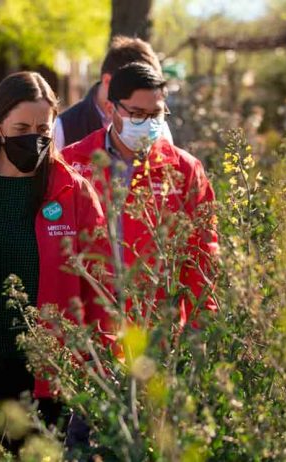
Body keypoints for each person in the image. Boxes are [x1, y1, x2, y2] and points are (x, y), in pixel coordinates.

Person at [0, 72, 110, 438]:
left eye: (42, 128)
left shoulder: (72, 191)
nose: (33, 137)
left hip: (46, 376)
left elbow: (101, 286)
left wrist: (100, 365)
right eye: (20, 128)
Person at [62, 62, 218, 325]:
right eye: (136, 113)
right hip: (92, 327)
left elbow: (202, 251)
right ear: (111, 108)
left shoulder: (184, 169)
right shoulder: (73, 161)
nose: (147, 122)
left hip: (158, 327)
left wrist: (201, 324)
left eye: (156, 114)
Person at [55, 35, 172, 151]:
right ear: (107, 81)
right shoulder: (64, 128)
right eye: (137, 113)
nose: (147, 120)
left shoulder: (158, 128)